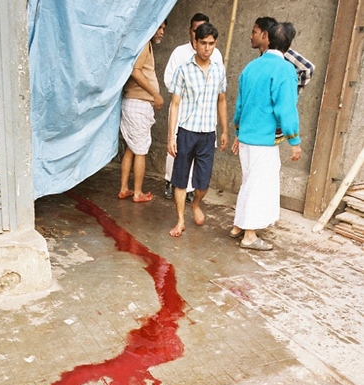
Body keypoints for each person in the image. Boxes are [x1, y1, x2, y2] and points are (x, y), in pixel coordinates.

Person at [230, 22, 301, 251]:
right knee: (259, 185)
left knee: (248, 181)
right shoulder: (286, 70)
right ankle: (250, 235)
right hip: (265, 140)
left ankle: (238, 226)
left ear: (268, 39)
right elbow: (286, 109)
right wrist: (294, 141)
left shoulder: (250, 67)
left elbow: (239, 105)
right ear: (288, 45)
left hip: (247, 137)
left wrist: (238, 132)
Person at [167, 22, 228, 237]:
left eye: (211, 44)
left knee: (203, 183)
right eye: (203, 43)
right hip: (186, 132)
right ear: (195, 43)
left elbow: (222, 101)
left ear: (215, 44)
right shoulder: (183, 71)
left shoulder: (219, 71)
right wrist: (171, 136)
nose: (207, 48)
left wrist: (224, 130)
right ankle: (181, 220)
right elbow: (174, 104)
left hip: (207, 134)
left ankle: (196, 204)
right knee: (181, 179)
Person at [118, 21, 166, 203]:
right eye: (159, 28)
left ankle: (124, 188)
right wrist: (155, 94)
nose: (161, 32)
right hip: (139, 104)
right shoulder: (144, 44)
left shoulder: (142, 44)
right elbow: (136, 72)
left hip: (133, 104)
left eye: (164, 29)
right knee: (141, 151)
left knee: (132, 148)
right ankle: (137, 192)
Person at [250, 16, 315, 94]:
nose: (251, 36)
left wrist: (292, 93)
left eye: (254, 32)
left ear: (264, 34)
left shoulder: (281, 52)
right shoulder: (262, 59)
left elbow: (308, 68)